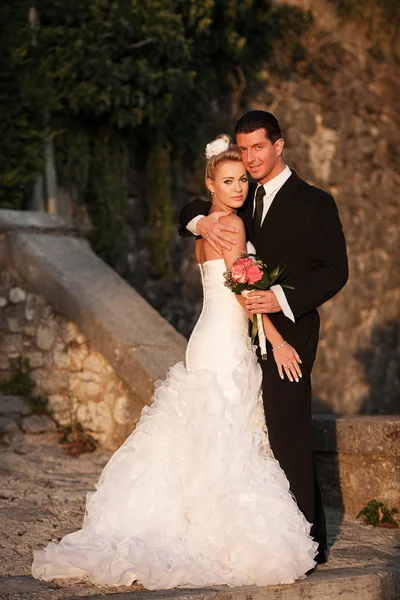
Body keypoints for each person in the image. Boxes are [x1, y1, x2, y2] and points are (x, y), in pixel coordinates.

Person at [32, 137, 317, 590]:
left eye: (243, 179)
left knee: (205, 435)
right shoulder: (232, 228)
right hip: (225, 341)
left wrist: (201, 218)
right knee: (226, 435)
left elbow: (217, 258)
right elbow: (245, 293)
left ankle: (187, 518)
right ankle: (217, 530)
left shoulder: (208, 226)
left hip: (205, 337)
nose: (240, 187)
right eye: (229, 181)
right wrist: (278, 341)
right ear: (211, 183)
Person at [178, 111, 349, 564]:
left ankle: (308, 543)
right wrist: (200, 223)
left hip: (288, 332)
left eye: (258, 147)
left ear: (280, 145)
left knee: (289, 432)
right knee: (254, 438)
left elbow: (334, 272)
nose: (250, 158)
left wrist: (277, 300)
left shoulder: (315, 202)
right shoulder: (239, 196)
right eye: (244, 148)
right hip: (237, 334)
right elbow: (193, 208)